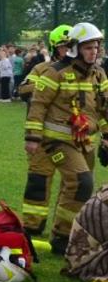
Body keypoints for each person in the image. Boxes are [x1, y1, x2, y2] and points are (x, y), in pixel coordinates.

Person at [22, 21, 108, 254]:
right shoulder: (54, 72)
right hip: (55, 142)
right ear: (76, 48)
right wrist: (32, 137)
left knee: (79, 187)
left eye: (97, 47)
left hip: (84, 143)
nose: (94, 51)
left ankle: (63, 236)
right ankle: (43, 231)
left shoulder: (99, 75)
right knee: (79, 182)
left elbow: (103, 108)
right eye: (89, 47)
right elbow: (38, 105)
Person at [21, 25, 77, 237]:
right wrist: (49, 87)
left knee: (73, 185)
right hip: (43, 137)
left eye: (72, 46)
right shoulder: (43, 69)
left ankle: (65, 230)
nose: (69, 51)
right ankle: (33, 225)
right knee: (38, 180)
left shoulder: (86, 72)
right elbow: (23, 89)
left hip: (74, 139)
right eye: (64, 47)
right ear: (55, 48)